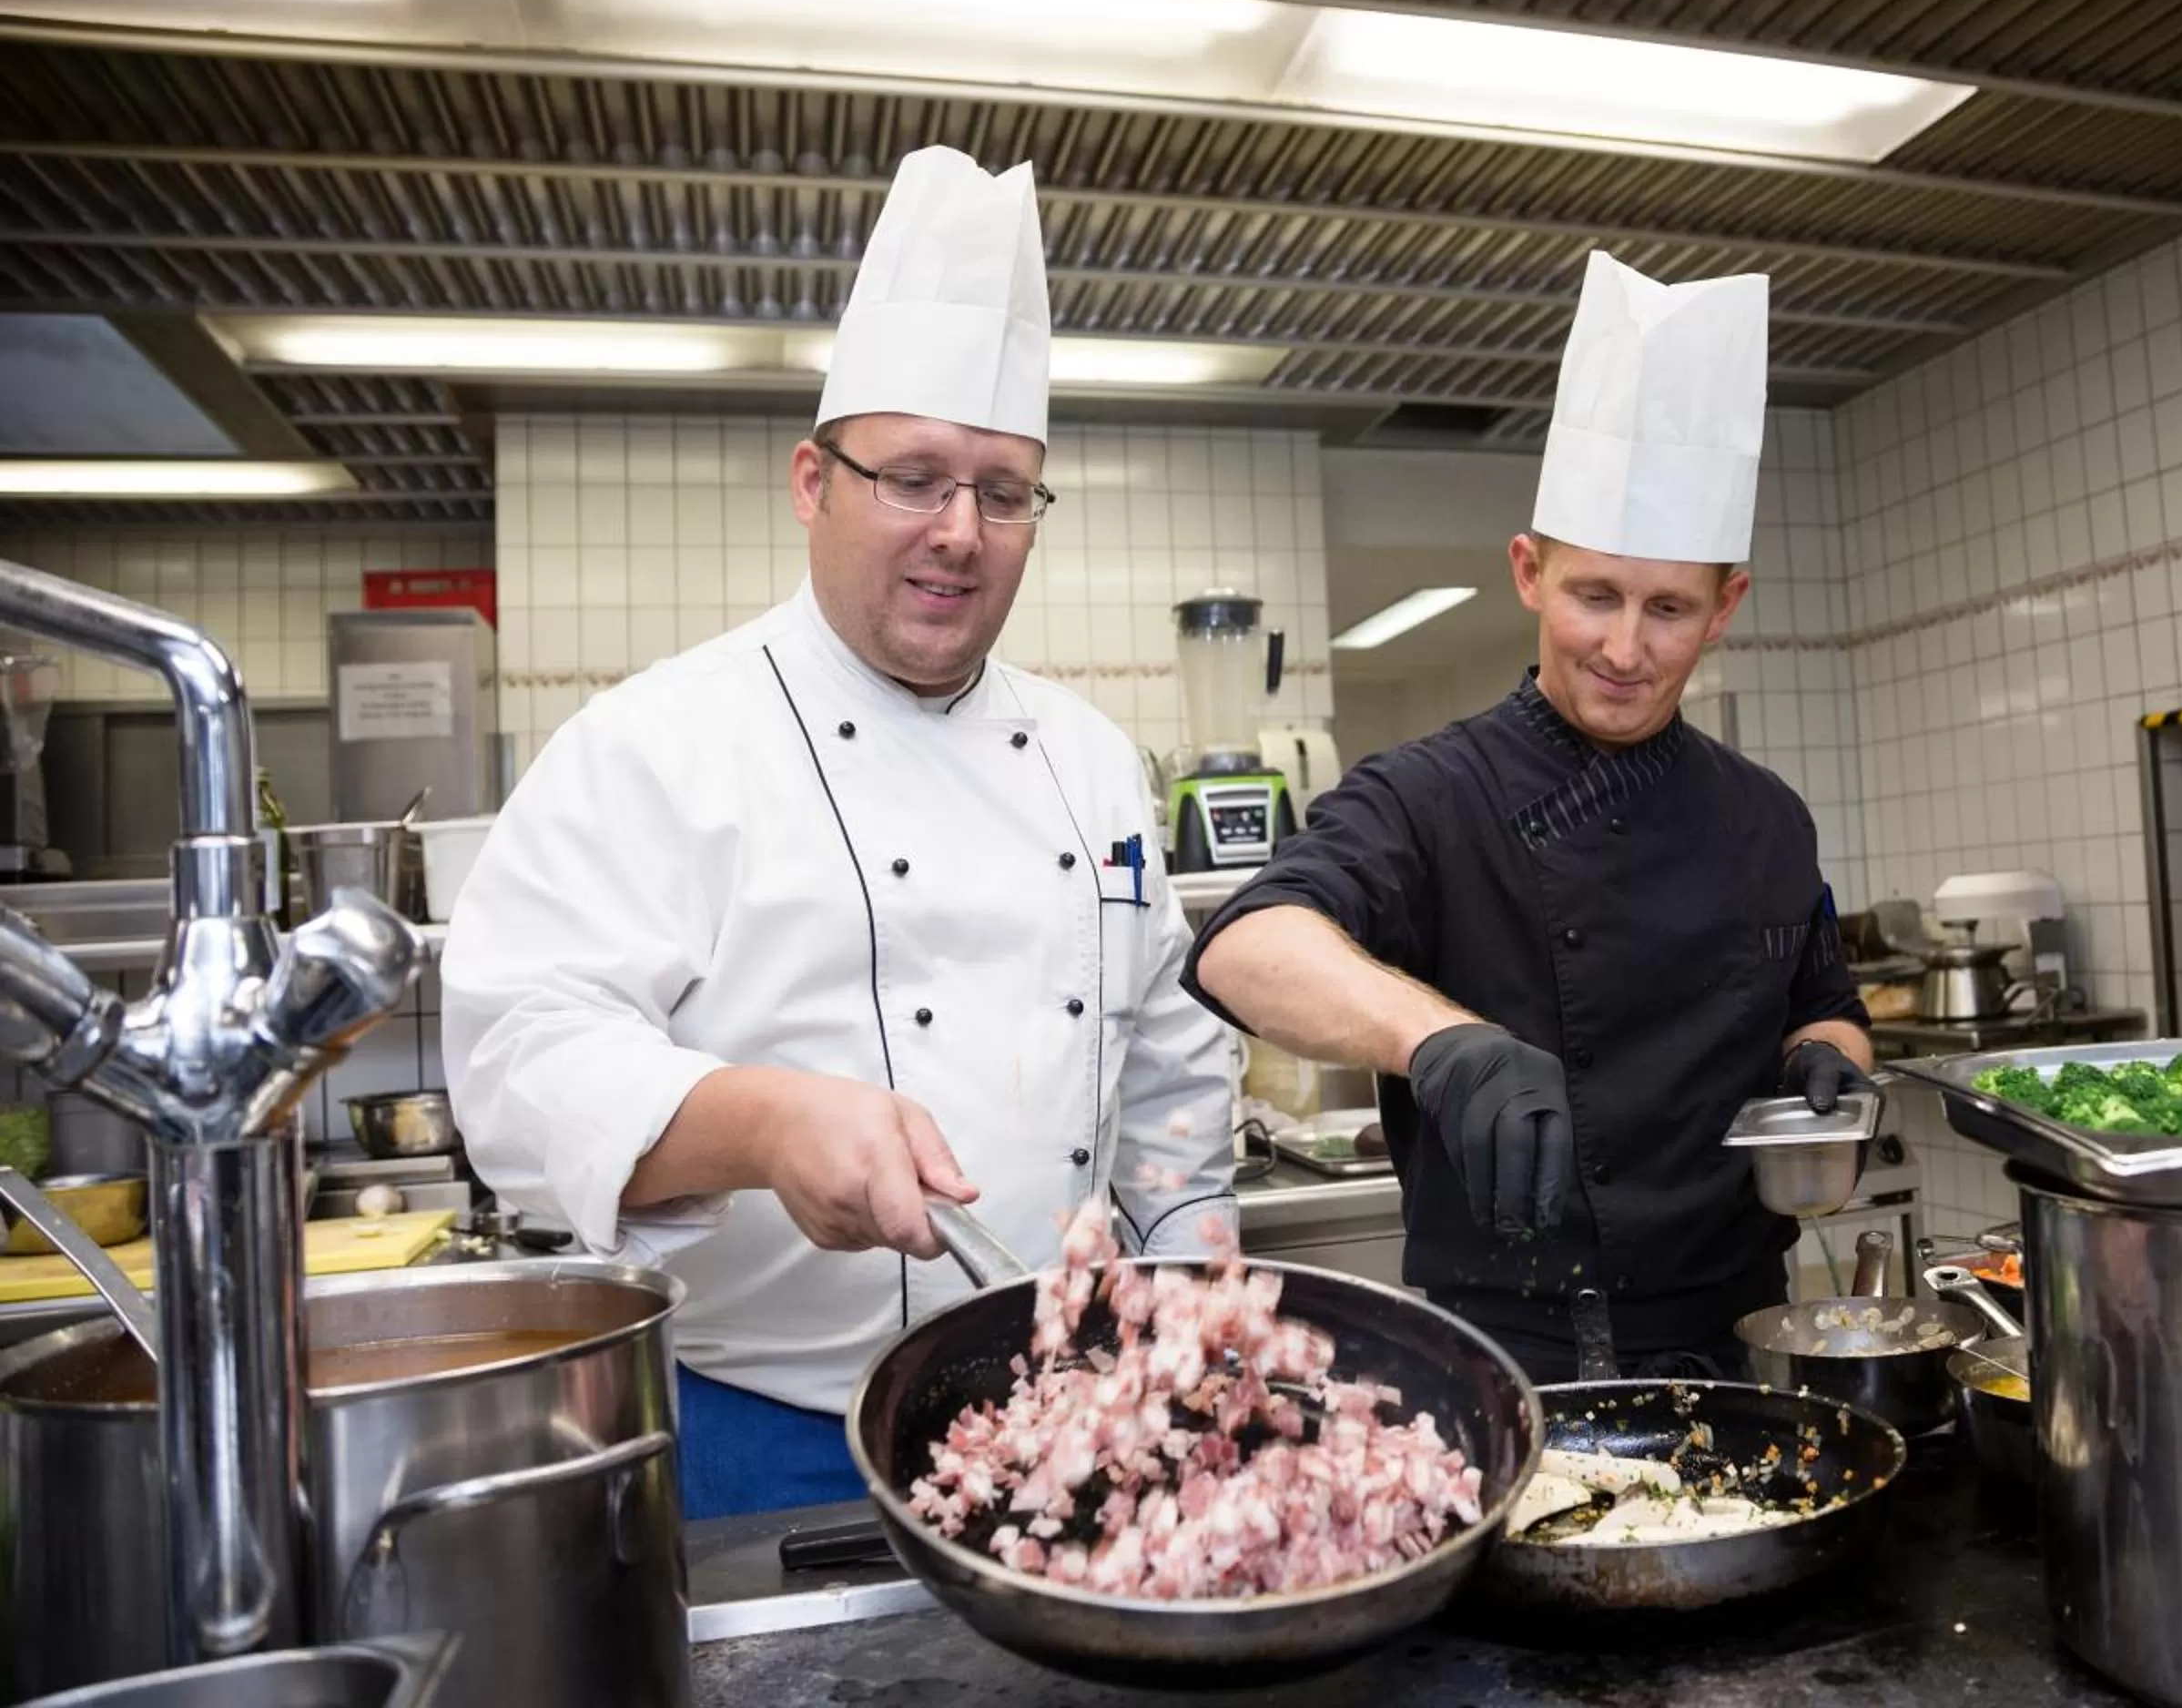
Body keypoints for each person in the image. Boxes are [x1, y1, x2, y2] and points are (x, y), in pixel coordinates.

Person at [443, 147, 1237, 1519]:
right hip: (768, 1440)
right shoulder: (658, 744)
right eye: (914, 478)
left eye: (1003, 491)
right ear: (813, 481)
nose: (960, 532)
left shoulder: (1094, 761)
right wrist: (762, 1122)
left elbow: (1169, 1075)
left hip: (1072, 1422)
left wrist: (1190, 1292)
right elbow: (520, 1060)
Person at [1183, 252, 1872, 1384]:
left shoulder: (1767, 818)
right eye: (1594, 595)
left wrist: (1826, 1066)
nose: (1625, 647)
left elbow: (1825, 1009)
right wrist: (1440, 1042)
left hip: (1745, 1336)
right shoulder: (1431, 792)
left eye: (1669, 608)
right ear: (1528, 571)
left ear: (1726, 607)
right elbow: (1244, 945)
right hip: (1511, 1357)